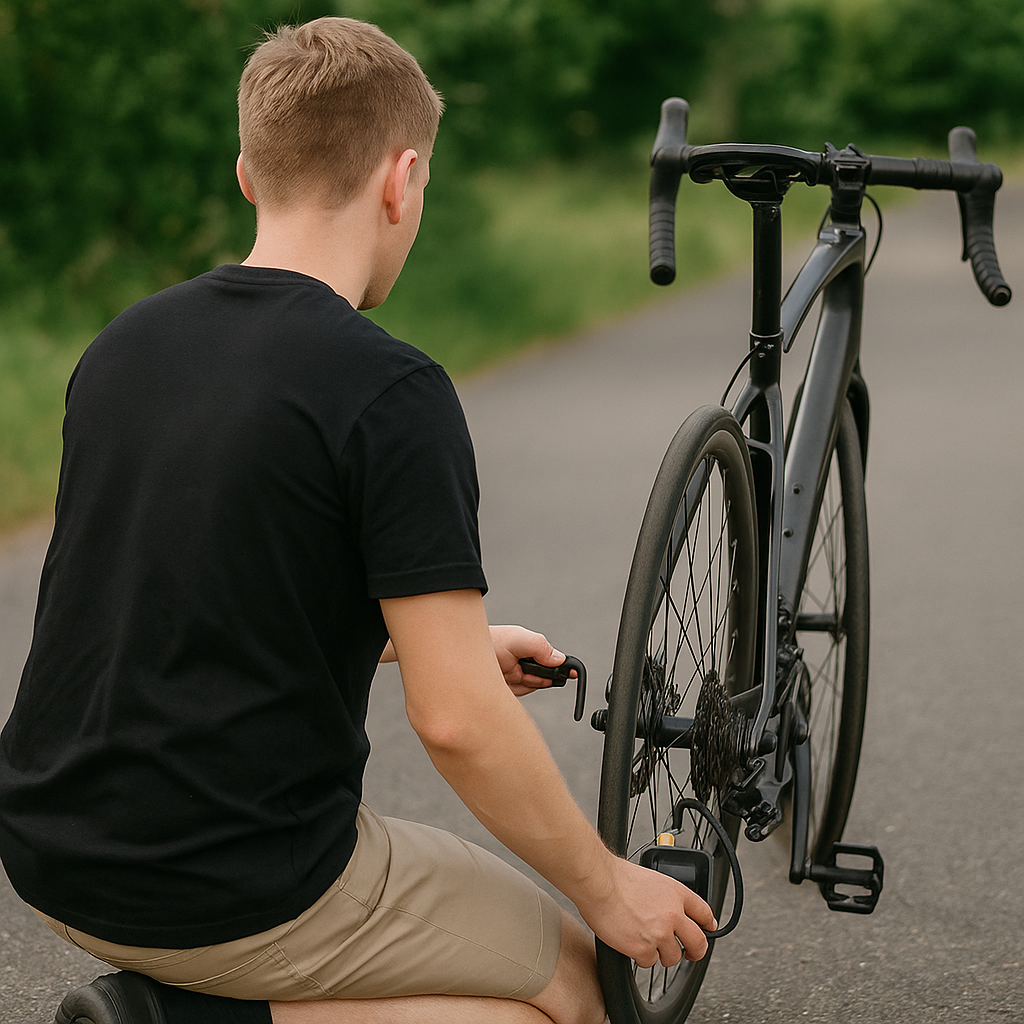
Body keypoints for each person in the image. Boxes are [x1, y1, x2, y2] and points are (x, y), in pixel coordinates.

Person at [0, 17, 715, 1024]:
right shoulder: (389, 390)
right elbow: (457, 720)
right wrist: (608, 886)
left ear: (250, 174)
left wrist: (428, 642)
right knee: (579, 993)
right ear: (402, 178)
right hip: (237, 886)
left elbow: (174, 592)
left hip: (52, 852)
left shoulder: (124, 346)